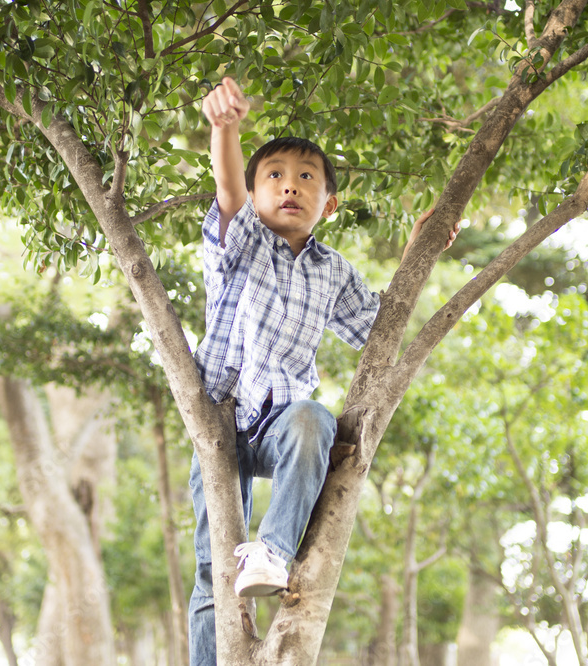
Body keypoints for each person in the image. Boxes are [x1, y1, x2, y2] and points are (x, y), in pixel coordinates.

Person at [189, 76, 458, 665]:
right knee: (212, 569)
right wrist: (225, 127)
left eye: (306, 178)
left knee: (315, 416)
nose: (290, 185)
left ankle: (273, 553)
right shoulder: (243, 240)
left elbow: (378, 328)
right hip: (220, 418)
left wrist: (422, 249)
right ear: (256, 193)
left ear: (328, 205)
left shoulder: (333, 270)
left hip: (284, 420)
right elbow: (227, 187)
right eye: (275, 175)